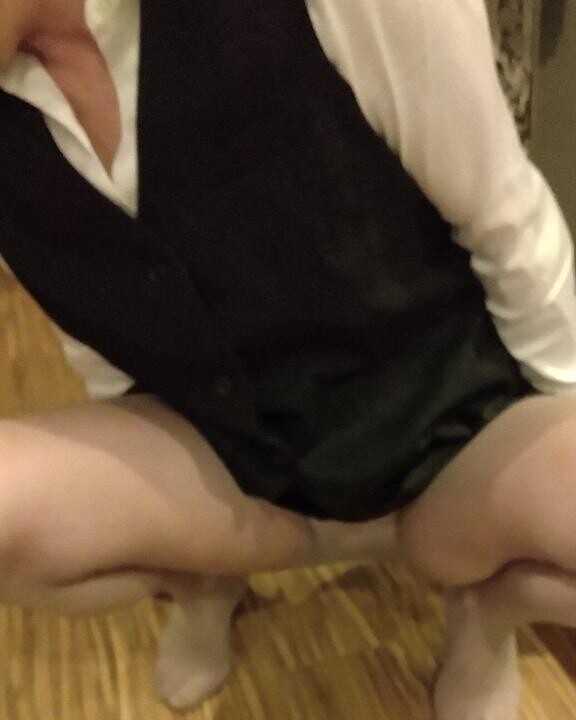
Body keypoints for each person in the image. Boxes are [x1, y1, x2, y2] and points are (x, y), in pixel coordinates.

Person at [0, 0, 575, 718]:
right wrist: (160, 523)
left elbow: (504, 220)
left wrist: (548, 454)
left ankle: (486, 609)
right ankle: (206, 581)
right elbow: (91, 311)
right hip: (234, 453)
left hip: (445, 416)